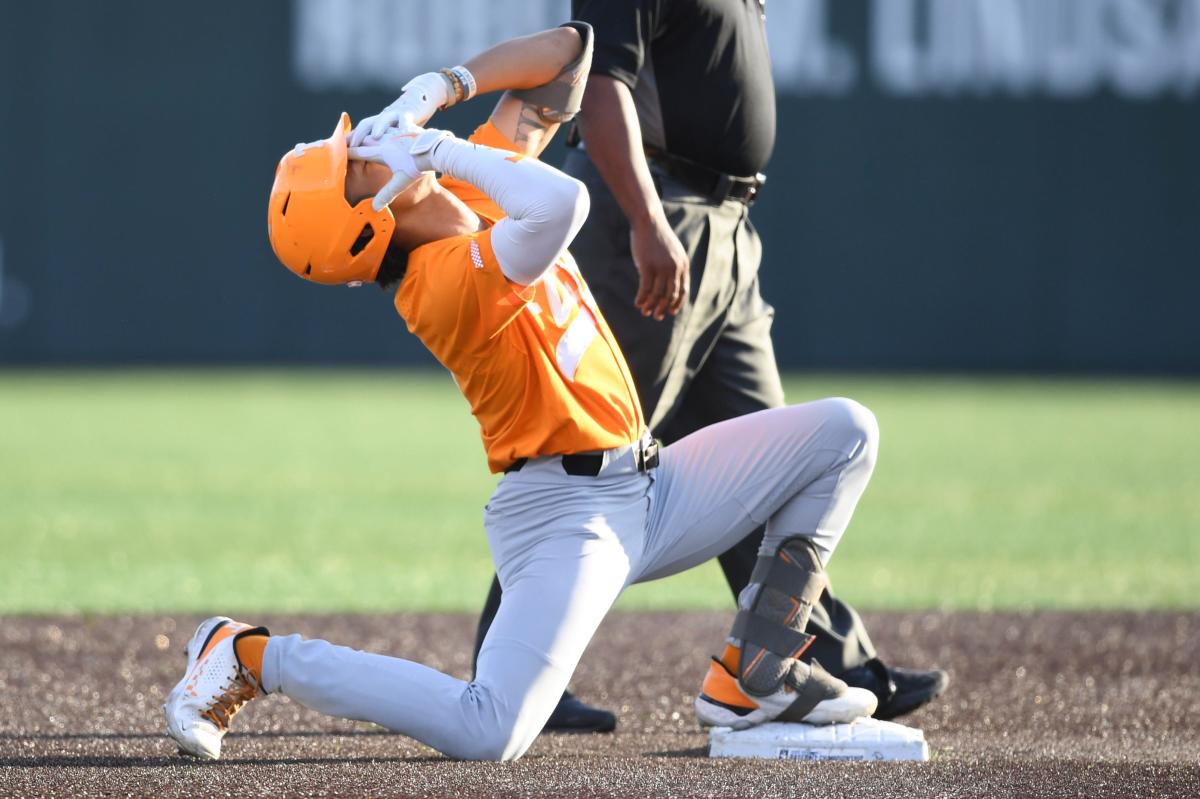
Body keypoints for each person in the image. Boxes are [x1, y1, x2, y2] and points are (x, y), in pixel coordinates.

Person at [165, 23, 881, 763]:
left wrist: (442, 86)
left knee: (845, 433)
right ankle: (253, 655)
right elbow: (564, 206)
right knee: (491, 730)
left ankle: (756, 673)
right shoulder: (436, 286)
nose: (367, 145)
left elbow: (572, 55)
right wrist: (437, 146)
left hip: (651, 485)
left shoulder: (468, 187)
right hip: (565, 517)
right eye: (353, 164)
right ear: (362, 228)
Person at [468, 0, 949, 730]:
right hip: (653, 218)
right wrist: (645, 220)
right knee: (585, 452)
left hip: (725, 228)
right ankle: (509, 664)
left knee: (770, 454)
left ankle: (820, 655)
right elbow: (601, 84)